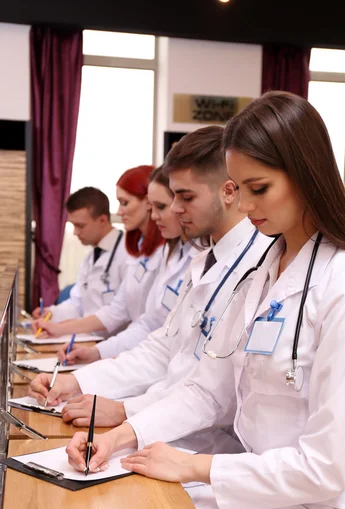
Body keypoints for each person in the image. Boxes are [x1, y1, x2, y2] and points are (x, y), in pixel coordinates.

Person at [65, 91, 345, 509]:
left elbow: (326, 469)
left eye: (258, 188)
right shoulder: (260, 273)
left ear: (306, 174)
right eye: (238, 189)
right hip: (262, 491)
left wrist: (195, 466)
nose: (244, 207)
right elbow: (208, 390)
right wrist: (121, 436)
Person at [29, 127, 272, 448]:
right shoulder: (205, 260)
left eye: (186, 197)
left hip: (207, 442)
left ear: (228, 192)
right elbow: (163, 348)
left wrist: (125, 411)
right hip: (166, 422)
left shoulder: (258, 267)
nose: (173, 210)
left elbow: (218, 394)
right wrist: (78, 381)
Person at [31, 165, 165, 347]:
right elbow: (110, 308)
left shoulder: (131, 254)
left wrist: (66, 330)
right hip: (114, 345)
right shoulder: (128, 251)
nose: (119, 212)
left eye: (124, 203)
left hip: (122, 344)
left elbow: (132, 319)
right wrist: (52, 316)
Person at [31, 187, 128, 321]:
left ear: (102, 220)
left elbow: (122, 314)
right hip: (89, 336)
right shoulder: (92, 255)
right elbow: (78, 303)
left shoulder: (128, 254)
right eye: (73, 225)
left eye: (80, 226)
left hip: (113, 339)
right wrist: (51, 313)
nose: (75, 232)